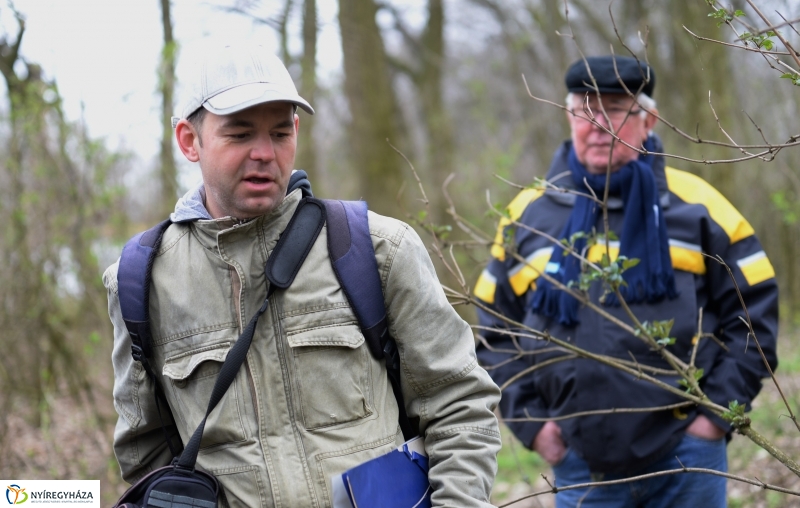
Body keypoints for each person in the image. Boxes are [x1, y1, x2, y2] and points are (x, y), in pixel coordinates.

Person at [104, 43, 501, 508]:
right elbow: (145, 452)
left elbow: (459, 404)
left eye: (279, 132)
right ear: (189, 140)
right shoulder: (139, 281)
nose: (264, 153)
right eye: (239, 134)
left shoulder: (375, 250)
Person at [475, 55, 778, 507]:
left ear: (648, 118)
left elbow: (756, 315)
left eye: (615, 109)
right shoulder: (528, 216)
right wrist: (533, 426)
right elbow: (494, 330)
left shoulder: (699, 207)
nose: (598, 124)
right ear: (568, 115)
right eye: (584, 109)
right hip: (581, 465)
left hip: (686, 459)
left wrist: (715, 416)